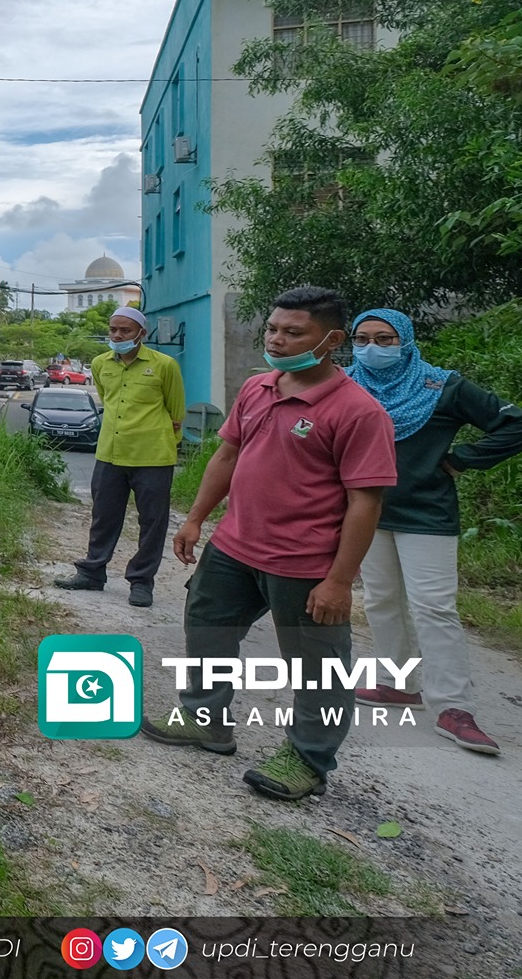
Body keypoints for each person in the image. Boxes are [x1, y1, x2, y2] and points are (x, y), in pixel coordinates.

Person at [141, 286, 396, 802]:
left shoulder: (359, 413)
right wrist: (194, 520)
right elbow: (227, 458)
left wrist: (340, 580)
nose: (277, 341)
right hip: (234, 547)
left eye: (293, 332)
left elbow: (365, 502)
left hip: (303, 563)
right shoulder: (258, 388)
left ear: (331, 340)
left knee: (317, 666)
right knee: (207, 628)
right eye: (273, 330)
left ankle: (307, 758)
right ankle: (205, 721)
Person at [347, 308, 522, 755]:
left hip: (427, 514)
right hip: (364, 512)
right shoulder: (346, 384)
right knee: (380, 599)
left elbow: (521, 424)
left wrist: (460, 459)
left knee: (434, 607)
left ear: (406, 341)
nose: (372, 348)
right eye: (362, 339)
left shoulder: (442, 385)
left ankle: (454, 707)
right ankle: (398, 683)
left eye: (384, 338)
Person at [55, 304, 186, 607]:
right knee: (103, 517)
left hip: (153, 456)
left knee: (152, 522)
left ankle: (141, 581)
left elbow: (176, 411)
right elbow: (108, 399)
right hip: (110, 454)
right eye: (113, 329)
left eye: (125, 330)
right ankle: (92, 572)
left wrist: (165, 440)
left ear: (142, 333)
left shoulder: (164, 365)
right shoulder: (101, 364)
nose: (117, 335)